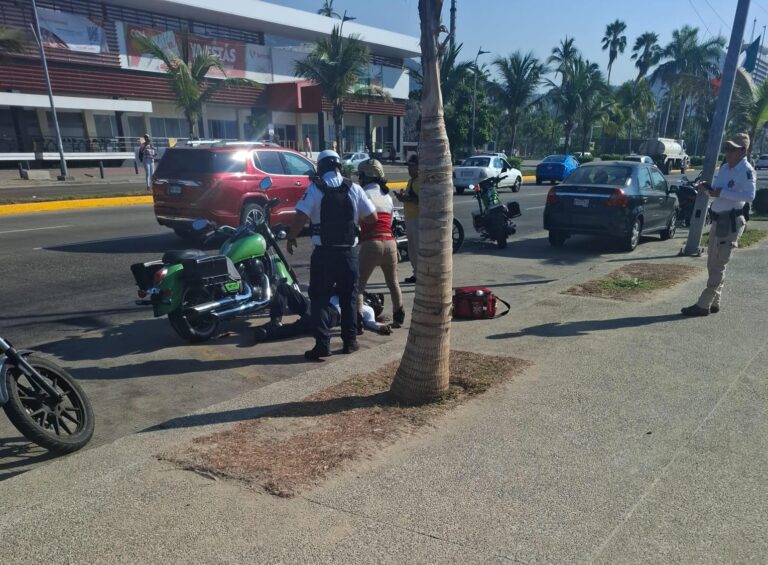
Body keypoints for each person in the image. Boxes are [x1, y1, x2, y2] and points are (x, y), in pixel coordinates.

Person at [285, 149, 377, 360]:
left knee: (319, 299)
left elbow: (300, 216)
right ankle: (350, 342)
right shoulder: (353, 188)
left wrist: (291, 237)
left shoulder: (315, 189)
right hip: (348, 254)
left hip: (324, 255)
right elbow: (372, 217)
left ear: (321, 167)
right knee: (349, 298)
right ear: (338, 166)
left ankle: (322, 344)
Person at [681, 132, 756, 317]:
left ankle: (703, 304)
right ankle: (715, 302)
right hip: (717, 219)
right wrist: (707, 189)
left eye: (732, 149)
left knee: (719, 265)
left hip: (731, 223)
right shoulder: (724, 168)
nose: (728, 152)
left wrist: (722, 193)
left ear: (743, 151)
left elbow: (749, 196)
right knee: (712, 263)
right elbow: (717, 191)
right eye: (727, 148)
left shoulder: (746, 171)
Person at [356, 159, 405, 329]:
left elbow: (358, 220)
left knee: (359, 286)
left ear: (367, 176)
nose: (359, 179)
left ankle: (358, 322)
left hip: (371, 243)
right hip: (390, 243)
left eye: (360, 175)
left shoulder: (363, 194)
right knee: (393, 283)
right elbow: (390, 221)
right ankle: (399, 317)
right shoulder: (387, 196)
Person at [394, 154, 420, 283]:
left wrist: (407, 199)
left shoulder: (420, 182)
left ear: (419, 167)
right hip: (410, 218)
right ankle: (416, 274)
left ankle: (420, 275)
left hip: (418, 219)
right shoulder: (411, 181)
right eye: (408, 167)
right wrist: (402, 197)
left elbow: (423, 201)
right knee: (412, 249)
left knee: (417, 248)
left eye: (412, 167)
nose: (409, 170)